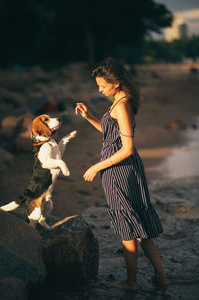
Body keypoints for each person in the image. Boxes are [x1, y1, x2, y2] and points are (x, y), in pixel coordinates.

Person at [75, 57, 168, 291]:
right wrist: (89, 117)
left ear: (115, 83)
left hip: (119, 171)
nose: (99, 89)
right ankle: (161, 277)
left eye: (102, 86)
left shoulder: (123, 104)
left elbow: (126, 148)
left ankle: (132, 282)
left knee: (127, 227)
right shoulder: (119, 99)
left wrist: (98, 166)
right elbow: (111, 134)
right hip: (124, 169)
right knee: (140, 226)